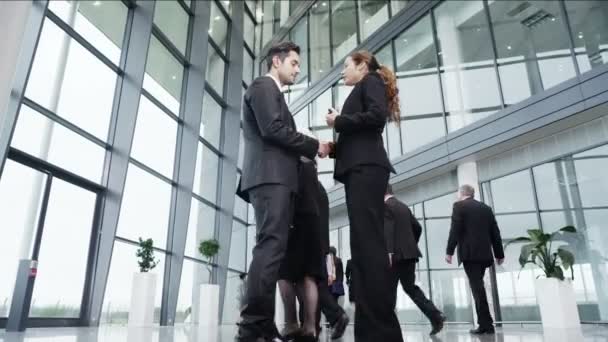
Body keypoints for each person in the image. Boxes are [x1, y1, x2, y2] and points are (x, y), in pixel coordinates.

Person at [236, 41, 331, 342]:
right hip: (270, 178)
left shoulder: (271, 91)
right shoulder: (264, 87)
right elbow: (274, 130)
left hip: (274, 179)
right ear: (276, 61)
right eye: (294, 63)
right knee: (269, 248)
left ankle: (262, 324)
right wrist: (315, 145)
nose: (298, 69)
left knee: (271, 250)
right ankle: (252, 325)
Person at [325, 50, 402, 342]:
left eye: (346, 66)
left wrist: (339, 122)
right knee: (364, 244)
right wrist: (332, 147)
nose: (343, 71)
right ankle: (372, 328)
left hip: (366, 168)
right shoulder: (365, 85)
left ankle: (380, 330)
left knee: (368, 245)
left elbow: (375, 117)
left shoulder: (370, 81)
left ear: (362, 65)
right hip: (361, 167)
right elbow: (361, 131)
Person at [383, 185, 445, 336]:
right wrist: (410, 244)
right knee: (410, 288)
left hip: (394, 256)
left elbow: (388, 229)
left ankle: (388, 329)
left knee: (388, 291)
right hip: (410, 255)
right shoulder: (404, 207)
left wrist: (389, 251)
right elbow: (417, 227)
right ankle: (435, 316)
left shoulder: (385, 206)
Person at [445, 184, 504, 335]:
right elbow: (495, 232)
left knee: (477, 289)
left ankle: (486, 325)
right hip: (484, 255)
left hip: (470, 255)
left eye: (457, 192)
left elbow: (455, 229)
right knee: (479, 287)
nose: (457, 195)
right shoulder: (486, 208)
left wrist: (449, 251)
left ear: (462, 193)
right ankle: (485, 324)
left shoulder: (459, 206)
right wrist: (499, 254)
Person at [277, 157, 324, 342]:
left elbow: (287, 193)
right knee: (308, 276)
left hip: (292, 220)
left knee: (284, 274)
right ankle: (310, 327)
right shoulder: (313, 171)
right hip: (312, 223)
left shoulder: (292, 163)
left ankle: (291, 324)